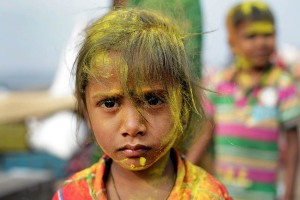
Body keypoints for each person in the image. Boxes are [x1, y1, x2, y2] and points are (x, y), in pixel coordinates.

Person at [52, 7, 232, 200]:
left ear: (183, 107)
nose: (132, 126)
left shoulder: (210, 195)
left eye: (153, 100)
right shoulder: (71, 196)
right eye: (110, 103)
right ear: (86, 111)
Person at [186, 1, 300, 200]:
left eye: (268, 35)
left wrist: (289, 193)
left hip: (266, 196)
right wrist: (185, 173)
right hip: (223, 194)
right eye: (251, 36)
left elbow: (292, 145)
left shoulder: (283, 85)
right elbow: (205, 133)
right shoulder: (220, 84)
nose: (261, 43)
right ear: (232, 42)